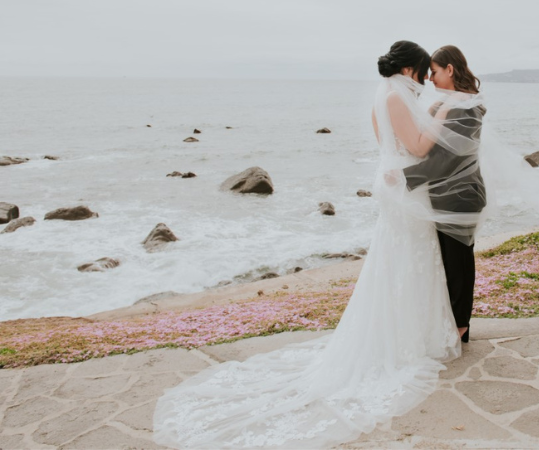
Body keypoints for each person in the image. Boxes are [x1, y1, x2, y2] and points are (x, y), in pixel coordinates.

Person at [153, 40, 462, 449]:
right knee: (407, 259)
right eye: (423, 72)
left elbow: (389, 150)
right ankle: (408, 341)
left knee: (397, 261)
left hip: (394, 187)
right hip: (404, 192)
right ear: (409, 70)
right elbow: (419, 148)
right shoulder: (397, 99)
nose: (424, 79)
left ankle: (408, 334)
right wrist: (443, 113)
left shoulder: (381, 97)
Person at [403, 45, 485, 343]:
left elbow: (449, 158)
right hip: (443, 194)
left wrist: (404, 177)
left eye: (435, 72)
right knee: (447, 262)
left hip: (462, 195)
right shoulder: (446, 103)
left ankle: (461, 326)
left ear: (450, 69)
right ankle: (451, 322)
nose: (430, 79)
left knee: (459, 262)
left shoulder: (468, 107)